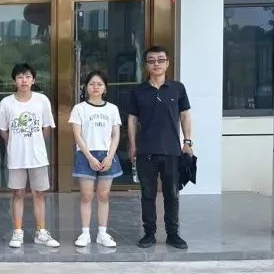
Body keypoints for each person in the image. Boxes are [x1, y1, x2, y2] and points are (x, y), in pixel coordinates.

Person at [128, 46, 193, 250]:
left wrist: (187, 142)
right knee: (147, 194)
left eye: (160, 60)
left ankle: (173, 234)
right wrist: (133, 145)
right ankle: (149, 233)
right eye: (151, 60)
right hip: (146, 150)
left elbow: (185, 115)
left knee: (172, 194)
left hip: (172, 150)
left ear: (167, 63)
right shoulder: (138, 91)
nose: (156, 64)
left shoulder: (177, 88)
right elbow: (132, 119)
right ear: (146, 65)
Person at [0, 63, 60, 249]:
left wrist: (34, 142)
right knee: (18, 193)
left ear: (33, 80)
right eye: (20, 77)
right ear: (14, 80)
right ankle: (17, 231)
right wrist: (15, 143)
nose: (24, 80)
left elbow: (46, 127)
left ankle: (41, 232)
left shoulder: (42, 100)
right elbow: (3, 130)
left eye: (28, 77)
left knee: (39, 194)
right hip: (17, 157)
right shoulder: (6, 103)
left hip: (38, 156)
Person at [69, 70, 122, 248]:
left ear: (105, 87)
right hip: (86, 154)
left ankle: (102, 233)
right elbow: (77, 135)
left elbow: (115, 135)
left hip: (107, 155)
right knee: (86, 195)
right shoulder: (79, 109)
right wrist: (90, 157)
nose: (95, 87)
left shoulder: (112, 109)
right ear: (86, 87)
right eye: (92, 84)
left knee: (103, 195)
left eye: (99, 84)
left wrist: (110, 156)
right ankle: (85, 233)